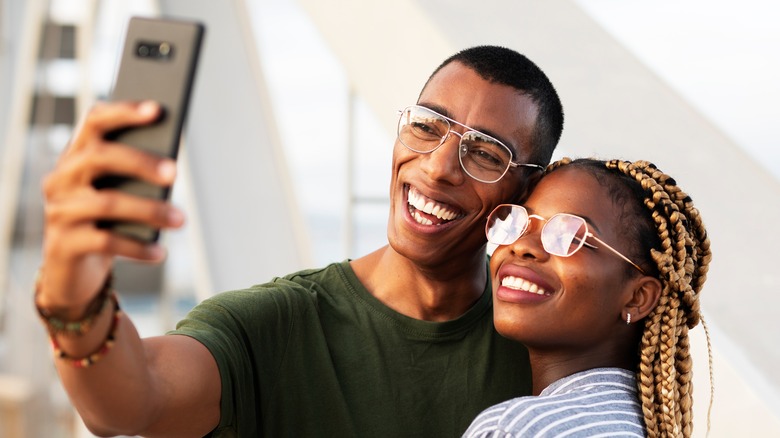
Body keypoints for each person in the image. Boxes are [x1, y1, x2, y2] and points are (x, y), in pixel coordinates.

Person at [36, 45, 564, 437]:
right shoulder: (274, 326)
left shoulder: (550, 344)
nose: (439, 167)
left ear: (526, 194)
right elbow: (131, 401)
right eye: (428, 127)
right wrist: (71, 293)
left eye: (487, 154)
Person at [462, 157, 712, 438]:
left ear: (638, 298)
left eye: (570, 237)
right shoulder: (640, 428)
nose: (522, 246)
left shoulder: (519, 428)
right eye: (520, 222)